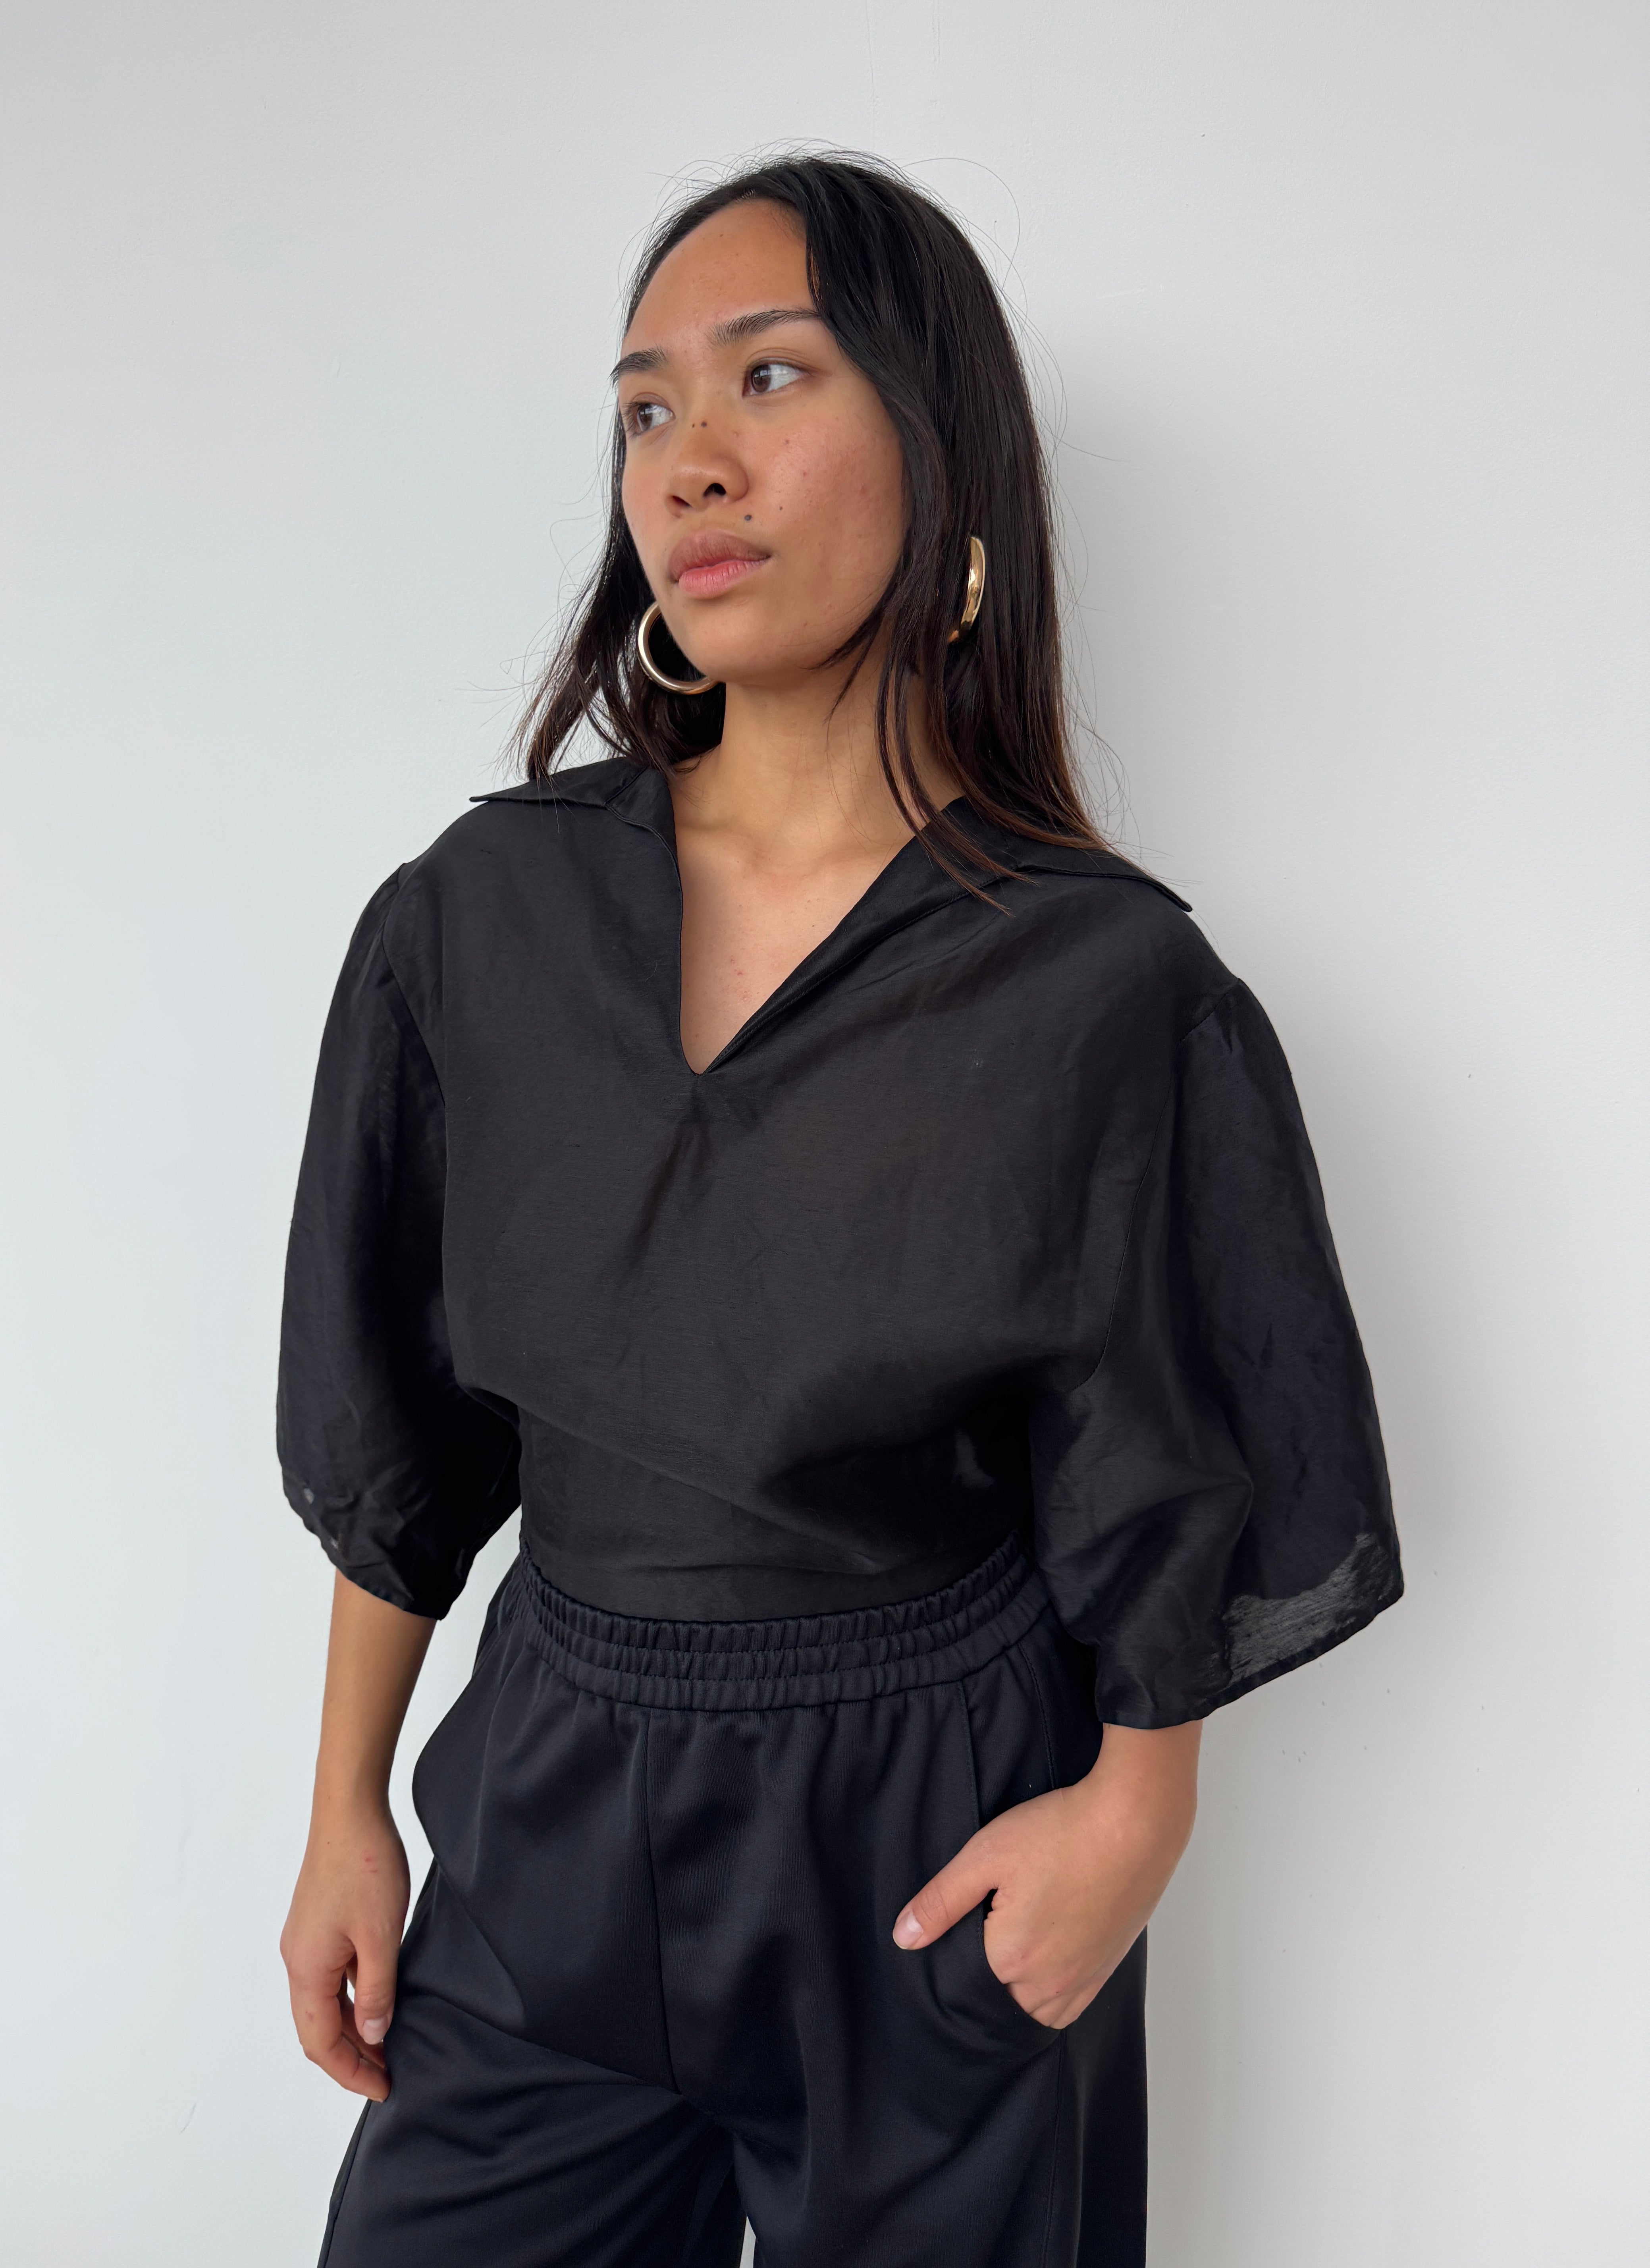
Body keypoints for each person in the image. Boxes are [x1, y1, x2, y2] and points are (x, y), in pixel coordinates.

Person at [276, 153, 1401, 2268]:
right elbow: (399, 1427)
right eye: (644, 407)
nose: (689, 459)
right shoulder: (481, 920)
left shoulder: (1099, 981)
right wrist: (345, 1808)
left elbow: (1177, 1446)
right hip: (547, 1807)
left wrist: (1137, 1807)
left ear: (940, 442)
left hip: (933, 1842)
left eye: (770, 377)